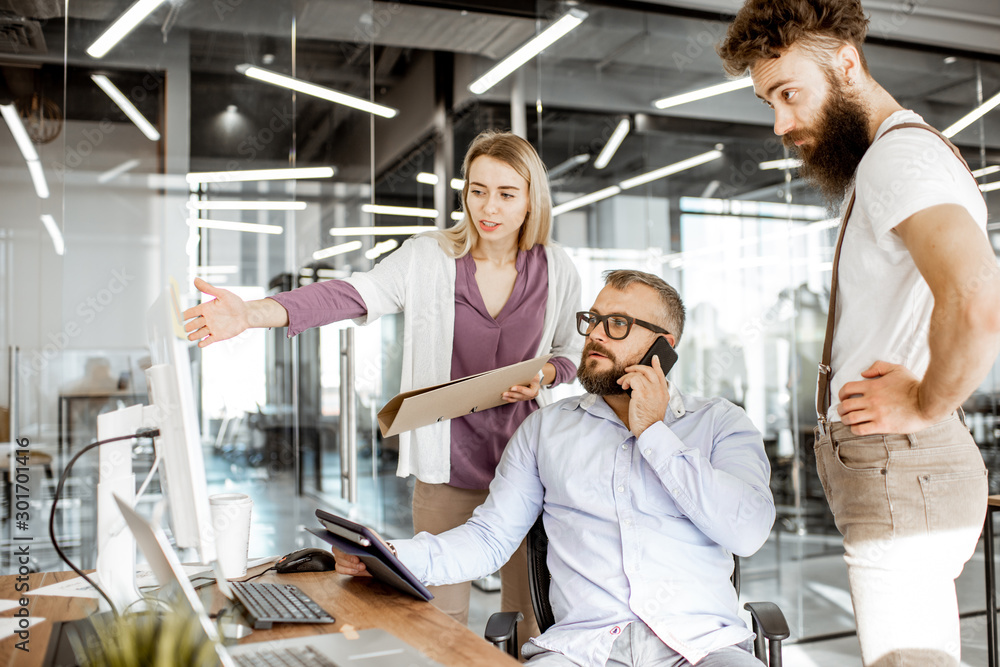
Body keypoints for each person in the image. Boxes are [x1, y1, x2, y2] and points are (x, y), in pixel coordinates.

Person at [182, 130, 583, 647]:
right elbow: (350, 294)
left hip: (528, 472)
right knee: (440, 623)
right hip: (449, 472)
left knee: (529, 620)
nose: (489, 207)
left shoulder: (557, 269)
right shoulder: (429, 258)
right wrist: (252, 314)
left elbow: (572, 351)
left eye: (507, 193)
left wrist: (546, 376)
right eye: (477, 190)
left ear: (532, 199)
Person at [718, 2, 1000, 665]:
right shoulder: (895, 158)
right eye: (769, 102)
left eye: (789, 94)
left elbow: (977, 297)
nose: (781, 123)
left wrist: (926, 400)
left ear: (845, 63)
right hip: (900, 469)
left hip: (902, 464)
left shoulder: (898, 160)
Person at [334, 270, 775, 667]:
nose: (596, 335)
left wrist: (654, 433)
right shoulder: (545, 430)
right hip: (583, 652)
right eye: (594, 320)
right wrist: (388, 555)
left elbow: (747, 531)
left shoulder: (721, 423)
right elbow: (489, 540)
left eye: (617, 324)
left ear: (664, 347)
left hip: (702, 650)